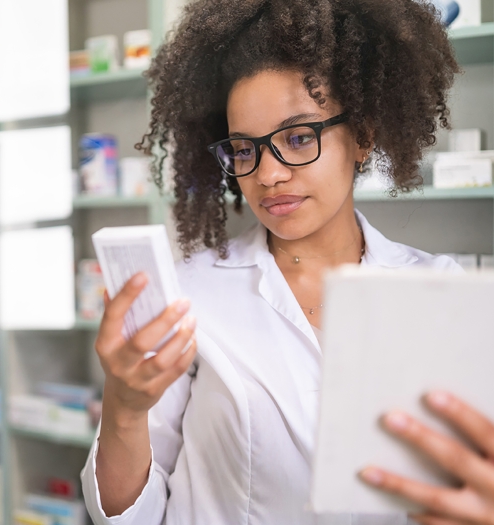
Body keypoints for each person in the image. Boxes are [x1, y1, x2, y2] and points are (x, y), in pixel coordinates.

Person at [80, 0, 494, 523]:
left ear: (362, 135)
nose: (268, 175)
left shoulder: (441, 291)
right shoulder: (189, 296)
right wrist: (124, 407)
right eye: (244, 149)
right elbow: (125, 514)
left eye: (298, 138)